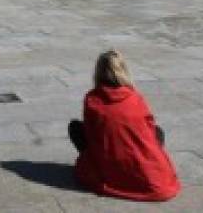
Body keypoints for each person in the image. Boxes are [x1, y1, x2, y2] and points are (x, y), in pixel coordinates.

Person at [69, 49, 180, 202]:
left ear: (98, 72)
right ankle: (143, 163)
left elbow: (91, 134)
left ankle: (106, 166)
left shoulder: (92, 99)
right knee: (157, 131)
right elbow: (148, 128)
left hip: (110, 164)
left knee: (75, 128)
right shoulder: (135, 97)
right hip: (155, 178)